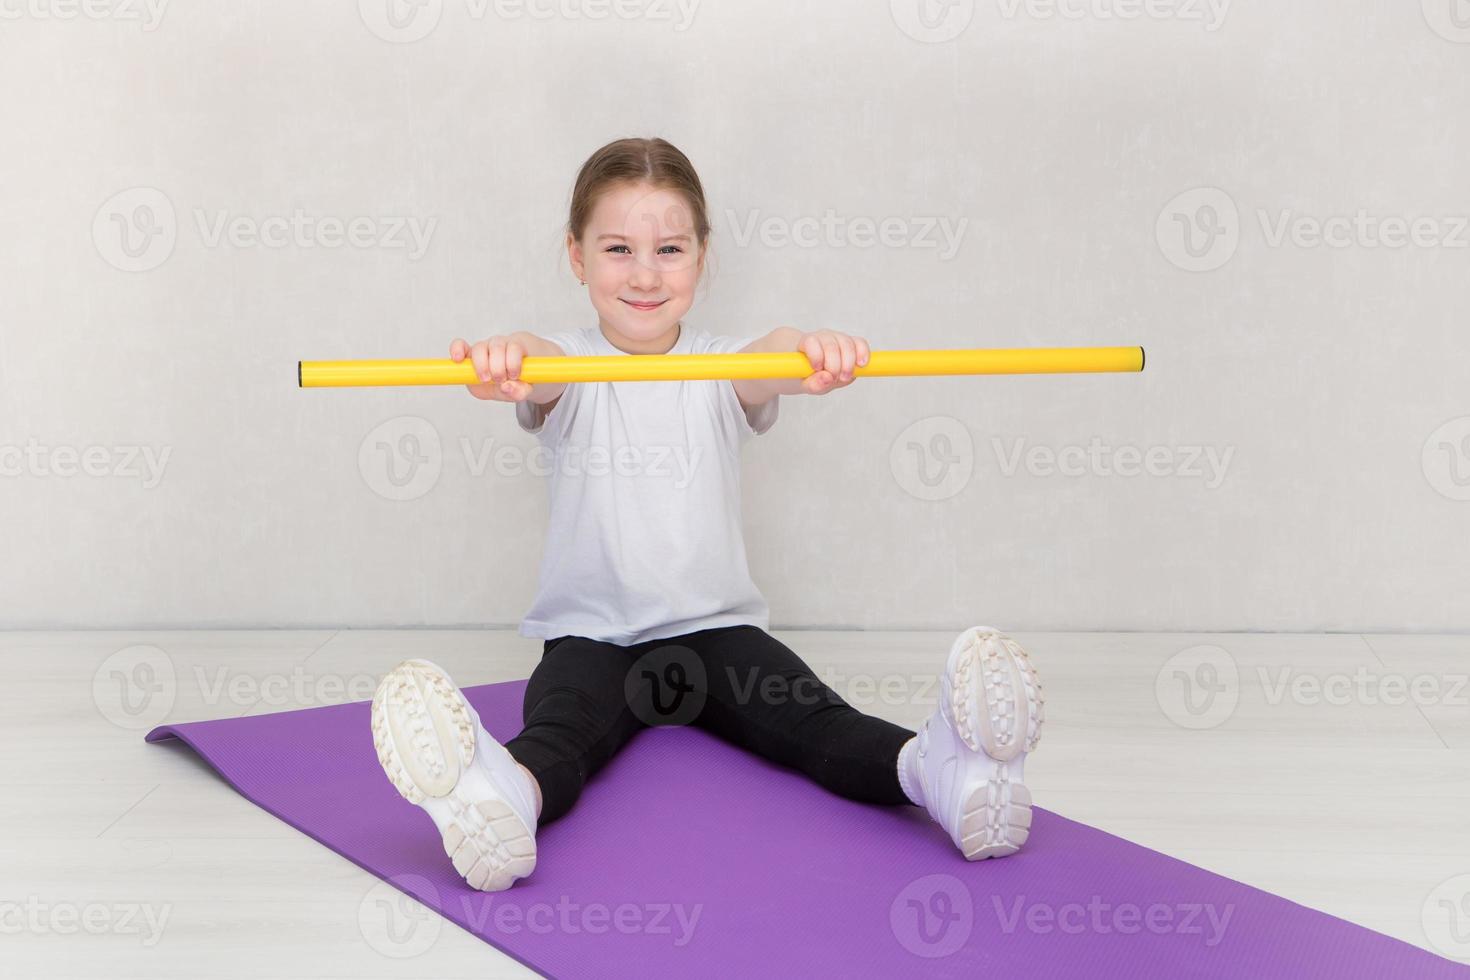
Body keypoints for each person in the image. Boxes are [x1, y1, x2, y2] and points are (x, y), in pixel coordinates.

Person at [369, 137, 1044, 892]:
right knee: (561, 734)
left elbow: (774, 355)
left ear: (703, 254)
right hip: (594, 638)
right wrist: (503, 358)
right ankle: (499, 799)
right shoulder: (563, 363)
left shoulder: (723, 364)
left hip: (717, 635)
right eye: (618, 248)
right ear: (576, 256)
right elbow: (530, 361)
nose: (647, 274)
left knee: (817, 724)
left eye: (670, 248)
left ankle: (943, 772)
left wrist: (810, 347)